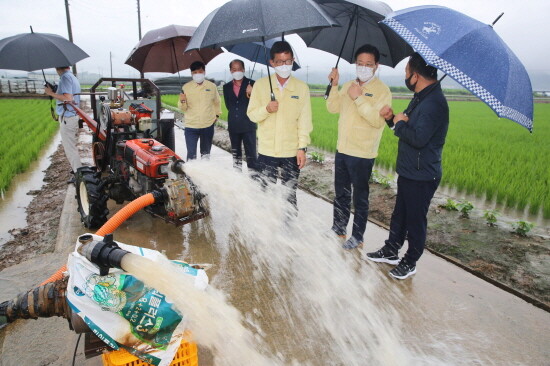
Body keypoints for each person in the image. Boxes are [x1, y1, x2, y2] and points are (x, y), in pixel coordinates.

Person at [366, 52, 449, 280]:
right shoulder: (422, 97)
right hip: (410, 170)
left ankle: (410, 261)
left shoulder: (434, 104)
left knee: (415, 220)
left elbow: (419, 138)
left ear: (416, 75)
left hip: (423, 175)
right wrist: (392, 118)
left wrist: (401, 125)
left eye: (406, 72)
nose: (406, 76)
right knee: (400, 214)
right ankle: (391, 250)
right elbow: (406, 124)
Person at [326, 44, 392, 250]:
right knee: (341, 194)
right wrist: (335, 85)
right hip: (343, 148)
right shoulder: (348, 85)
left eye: (368, 64)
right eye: (360, 64)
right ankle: (338, 228)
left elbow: (377, 120)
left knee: (360, 197)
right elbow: (332, 108)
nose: (363, 67)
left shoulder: (382, 91)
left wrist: (359, 97)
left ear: (376, 66)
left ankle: (357, 236)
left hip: (363, 153)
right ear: (355, 64)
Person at [247, 41, 312, 211]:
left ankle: (288, 230)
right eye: (280, 62)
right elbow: (252, 115)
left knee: (289, 194)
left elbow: (305, 121)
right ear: (272, 63)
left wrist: (302, 148)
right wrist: (266, 109)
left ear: (293, 61)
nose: (285, 65)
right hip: (267, 151)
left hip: (291, 151)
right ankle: (267, 230)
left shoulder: (301, 88)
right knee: (265, 192)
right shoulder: (261, 85)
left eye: (288, 61)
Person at [44, 66, 82, 181]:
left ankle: (78, 175)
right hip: (72, 115)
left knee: (70, 148)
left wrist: (51, 93)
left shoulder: (65, 78)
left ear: (57, 67)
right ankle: (77, 171)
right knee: (72, 146)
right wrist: (56, 90)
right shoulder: (72, 77)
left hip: (68, 117)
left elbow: (68, 98)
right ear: (68, 66)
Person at [178, 61, 221, 161]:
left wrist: (217, 115)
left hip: (207, 125)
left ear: (204, 72)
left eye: (200, 71)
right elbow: (182, 108)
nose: (198, 74)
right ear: (191, 74)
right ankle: (190, 176)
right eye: (195, 72)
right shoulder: (186, 87)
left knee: (206, 155)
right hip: (191, 126)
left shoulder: (212, 86)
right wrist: (182, 100)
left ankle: (204, 174)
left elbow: (217, 102)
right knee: (191, 154)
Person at [223, 59, 257, 172]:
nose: (237, 71)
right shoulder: (226, 87)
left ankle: (254, 179)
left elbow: (258, 104)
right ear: (230, 71)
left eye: (239, 69)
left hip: (249, 125)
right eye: (234, 69)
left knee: (251, 155)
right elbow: (229, 106)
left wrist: (252, 93)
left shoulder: (253, 84)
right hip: (234, 126)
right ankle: (237, 179)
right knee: (236, 155)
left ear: (243, 69)